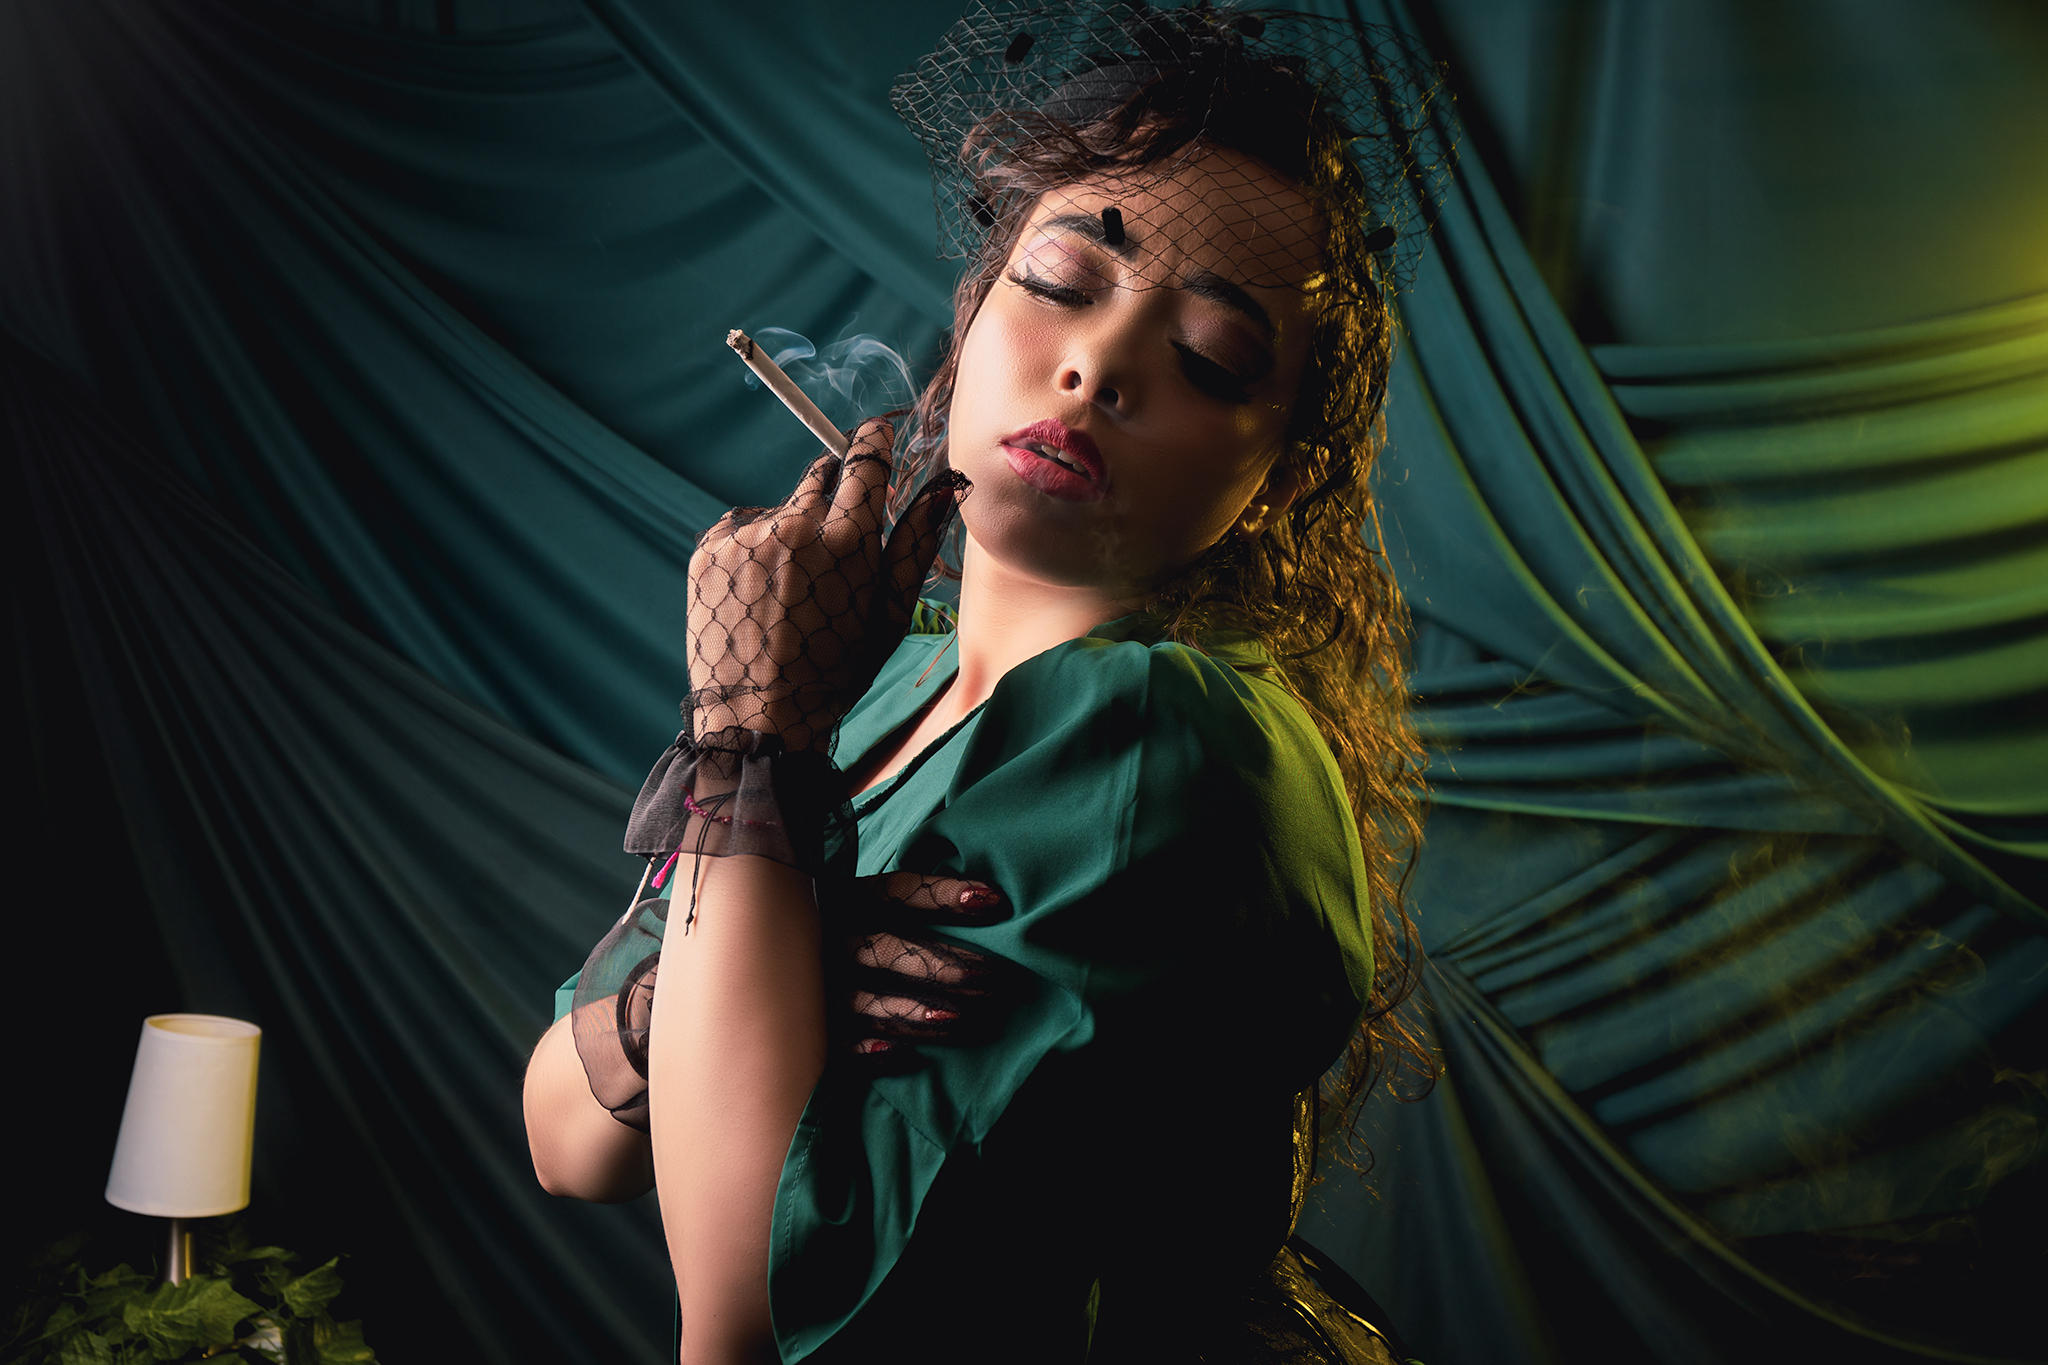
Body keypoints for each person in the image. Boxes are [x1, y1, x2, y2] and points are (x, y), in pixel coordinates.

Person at [523, 4, 1451, 1361]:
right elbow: (567, 1133)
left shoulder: (1145, 734)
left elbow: (747, 1314)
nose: (1099, 364)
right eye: (1064, 278)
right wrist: (775, 952)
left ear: (1278, 472)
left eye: (1210, 357)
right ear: (972, 314)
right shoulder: (870, 681)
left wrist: (747, 745)